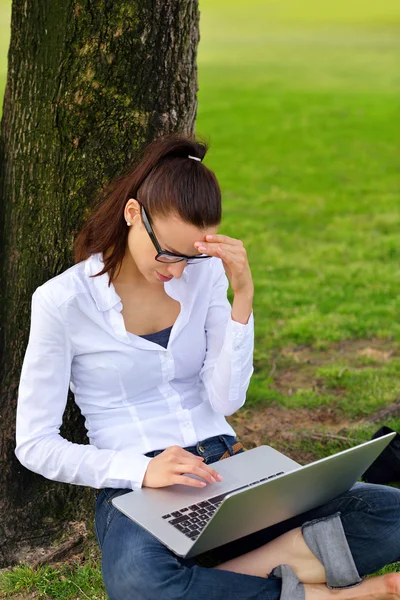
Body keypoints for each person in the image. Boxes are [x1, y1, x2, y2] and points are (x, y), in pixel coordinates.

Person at [15, 133, 400, 600]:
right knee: (141, 582)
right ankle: (321, 593)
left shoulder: (204, 273)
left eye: (191, 255)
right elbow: (35, 444)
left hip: (226, 465)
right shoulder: (63, 301)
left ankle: (251, 567)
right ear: (133, 214)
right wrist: (140, 471)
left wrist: (243, 301)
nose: (178, 271)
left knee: (390, 514)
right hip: (137, 484)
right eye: (168, 254)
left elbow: (226, 399)